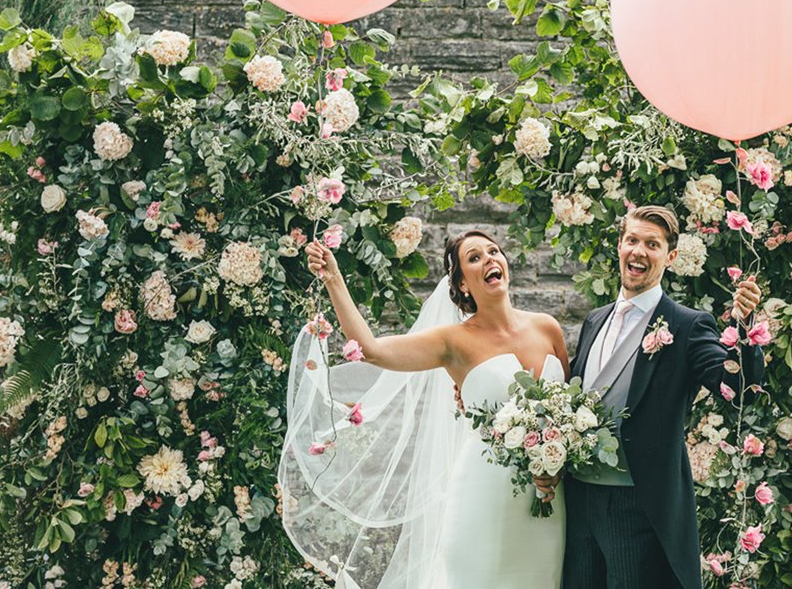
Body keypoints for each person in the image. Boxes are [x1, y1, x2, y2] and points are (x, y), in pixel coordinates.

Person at [279, 230, 569, 589]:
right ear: (463, 284)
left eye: (494, 251)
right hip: (486, 494)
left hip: (548, 500)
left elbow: (568, 408)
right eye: (475, 257)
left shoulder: (547, 327)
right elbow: (371, 349)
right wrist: (334, 278)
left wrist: (557, 464)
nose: (490, 259)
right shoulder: (452, 341)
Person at [542, 205, 764, 589]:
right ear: (619, 246)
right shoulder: (595, 319)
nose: (639, 251)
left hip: (638, 507)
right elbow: (567, 393)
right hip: (578, 502)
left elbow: (736, 390)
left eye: (652, 244)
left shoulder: (688, 324)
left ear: (670, 256)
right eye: (632, 240)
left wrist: (743, 329)